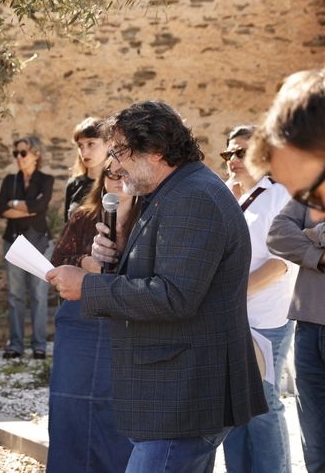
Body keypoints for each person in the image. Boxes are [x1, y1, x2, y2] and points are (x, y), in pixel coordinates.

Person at [45, 101, 267, 473]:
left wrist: (89, 286)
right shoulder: (174, 190)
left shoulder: (193, 197)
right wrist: (120, 251)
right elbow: (168, 271)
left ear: (157, 151)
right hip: (177, 393)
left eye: (120, 153)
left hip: (184, 397)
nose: (114, 166)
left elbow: (174, 296)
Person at [248, 68, 325, 473]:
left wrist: (311, 232)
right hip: (309, 321)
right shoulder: (306, 189)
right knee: (316, 447)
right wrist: (318, 252)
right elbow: (280, 233)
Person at [47, 162, 135, 472]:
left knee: (116, 408)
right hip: (81, 321)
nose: (118, 180)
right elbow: (59, 258)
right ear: (103, 179)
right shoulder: (84, 217)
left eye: (125, 174)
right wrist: (87, 262)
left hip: (125, 321)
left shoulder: (149, 220)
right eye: (112, 174)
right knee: (71, 403)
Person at [220, 125, 296, 473]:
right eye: (228, 153)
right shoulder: (226, 195)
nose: (233, 159)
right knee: (233, 406)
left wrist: (232, 295)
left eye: (241, 152)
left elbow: (282, 263)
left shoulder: (281, 196)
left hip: (266, 318)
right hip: (227, 318)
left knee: (262, 405)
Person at [0, 136, 55, 359]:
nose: (19, 158)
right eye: (16, 153)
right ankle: (16, 345)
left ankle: (39, 345)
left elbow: (41, 206)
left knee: (39, 295)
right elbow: (0, 209)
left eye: (23, 153)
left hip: (39, 242)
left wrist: (15, 204)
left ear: (36, 154)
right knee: (15, 295)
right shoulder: (10, 180)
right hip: (13, 242)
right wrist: (28, 208)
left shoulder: (46, 180)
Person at [64, 117, 107, 222]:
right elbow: (67, 226)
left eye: (90, 144)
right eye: (80, 145)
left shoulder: (116, 184)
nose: (84, 152)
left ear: (108, 145)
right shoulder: (73, 184)